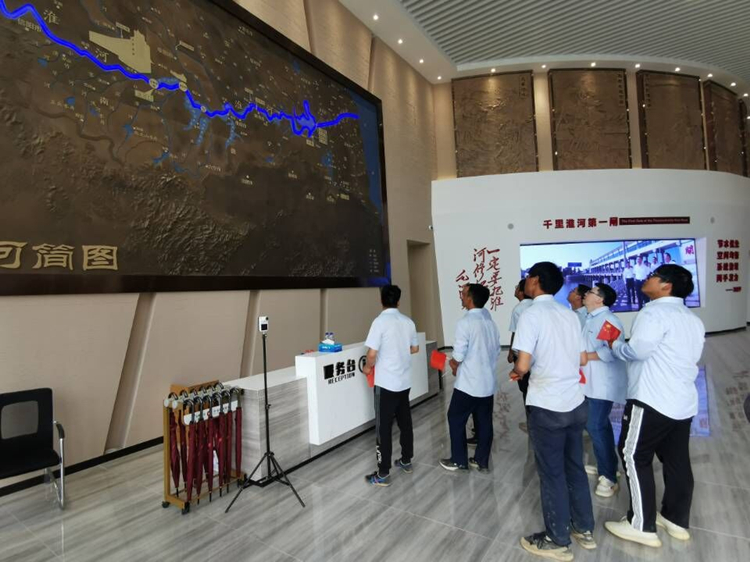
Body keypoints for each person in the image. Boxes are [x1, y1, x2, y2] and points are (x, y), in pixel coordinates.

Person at [604, 265, 705, 547]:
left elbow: (637, 351)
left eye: (653, 276)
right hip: (682, 401)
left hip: (651, 398)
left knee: (633, 454)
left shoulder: (653, 313)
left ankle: (641, 524)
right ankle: (675, 519)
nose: (646, 279)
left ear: (666, 286)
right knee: (676, 460)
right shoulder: (692, 319)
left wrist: (615, 346)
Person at [513, 262, 596, 559]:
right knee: (574, 467)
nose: (526, 282)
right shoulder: (569, 314)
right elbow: (582, 359)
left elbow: (523, 365)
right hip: (575, 402)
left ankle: (557, 539)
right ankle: (583, 528)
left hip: (547, 405)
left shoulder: (530, 314)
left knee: (552, 474)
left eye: (528, 278)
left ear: (535, 280)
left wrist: (517, 371)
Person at [363, 284, 419, 487]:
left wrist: (368, 368)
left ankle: (383, 473)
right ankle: (406, 460)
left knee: (383, 428)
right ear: (398, 301)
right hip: (404, 382)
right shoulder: (408, 322)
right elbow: (415, 348)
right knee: (405, 423)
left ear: (381, 300)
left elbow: (371, 354)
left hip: (385, 384)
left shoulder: (379, 322)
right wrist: (399, 351)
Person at [440, 283, 500, 473]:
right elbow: (497, 350)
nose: (461, 296)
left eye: (464, 294)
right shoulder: (490, 323)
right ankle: (481, 460)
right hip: (487, 382)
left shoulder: (465, 322)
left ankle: (459, 460)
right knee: (484, 422)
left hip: (468, 384)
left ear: (470, 298)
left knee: (455, 418)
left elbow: (458, 354)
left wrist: (453, 363)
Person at [580, 283, 627, 498]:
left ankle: (609, 477)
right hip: (590, 382)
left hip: (602, 384)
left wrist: (584, 357)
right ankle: (607, 467)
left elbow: (611, 352)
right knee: (599, 425)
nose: (586, 294)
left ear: (600, 299)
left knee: (595, 425)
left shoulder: (608, 321)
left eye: (590, 292)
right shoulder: (590, 318)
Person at [508, 279, 534, 425]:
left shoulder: (519, 309)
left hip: (522, 354)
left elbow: (515, 332)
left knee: (525, 388)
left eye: (517, 287)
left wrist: (511, 352)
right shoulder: (535, 306)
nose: (515, 289)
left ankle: (530, 419)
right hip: (536, 355)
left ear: (522, 291)